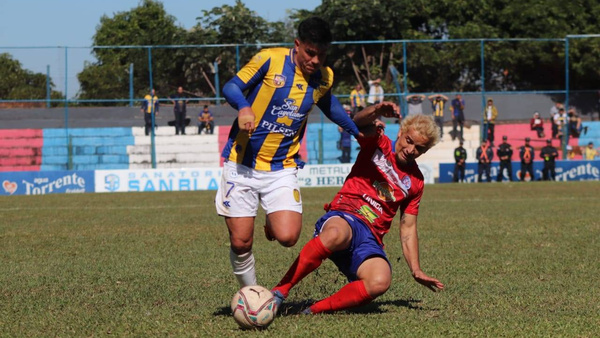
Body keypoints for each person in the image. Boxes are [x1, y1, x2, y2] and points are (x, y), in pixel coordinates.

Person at [215, 16, 398, 287]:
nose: (315, 60)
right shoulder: (269, 60)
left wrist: (358, 132)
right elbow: (231, 86)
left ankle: (271, 219)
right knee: (241, 241)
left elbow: (330, 106)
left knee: (288, 237)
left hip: (282, 166)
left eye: (321, 55)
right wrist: (244, 107)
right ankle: (250, 293)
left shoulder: (323, 77)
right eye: (310, 53)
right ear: (297, 45)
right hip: (242, 163)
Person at [270, 113, 444, 315]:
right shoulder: (379, 143)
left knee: (380, 280)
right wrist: (376, 110)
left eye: (419, 148)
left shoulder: (416, 181)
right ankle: (279, 292)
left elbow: (408, 227)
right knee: (337, 233)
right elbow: (356, 123)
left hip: (370, 238)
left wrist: (416, 269)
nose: (411, 150)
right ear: (401, 133)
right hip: (345, 216)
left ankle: (312, 311)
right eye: (409, 141)